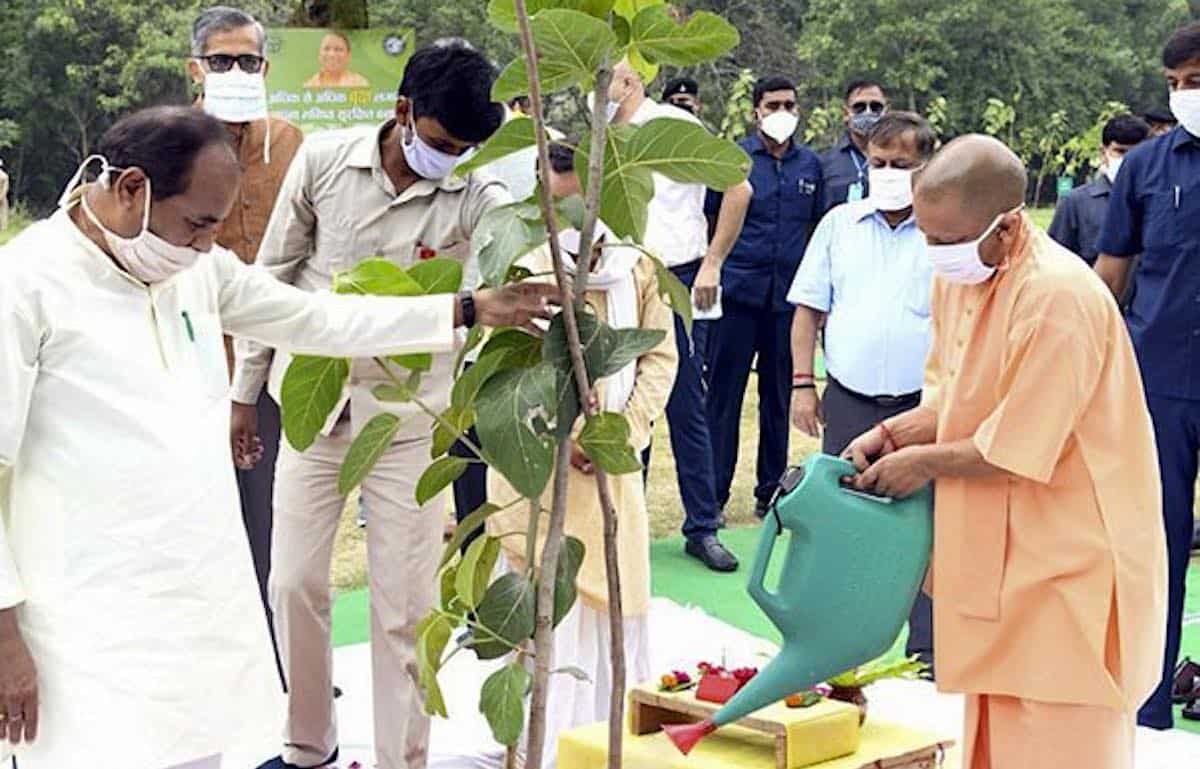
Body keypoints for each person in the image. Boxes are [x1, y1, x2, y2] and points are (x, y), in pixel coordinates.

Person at [0, 106, 556, 769]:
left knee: (202, 748)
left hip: (196, 597)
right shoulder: (26, 281)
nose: (208, 243)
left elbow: (316, 318)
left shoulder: (192, 270)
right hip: (83, 620)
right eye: (198, 223)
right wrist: (5, 640)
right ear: (130, 190)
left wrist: (465, 309)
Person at [845, 133, 1165, 769]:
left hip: (1071, 560)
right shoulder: (963, 275)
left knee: (1061, 736)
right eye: (925, 236)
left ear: (1009, 226)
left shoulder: (1059, 298)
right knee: (996, 732)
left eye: (947, 240)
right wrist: (897, 433)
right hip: (1003, 556)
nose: (934, 253)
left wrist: (920, 464)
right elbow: (954, 397)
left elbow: (1015, 444)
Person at [233, 42, 512, 769]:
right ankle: (307, 746)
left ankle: (402, 760)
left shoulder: (476, 190)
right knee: (292, 581)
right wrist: (243, 394)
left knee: (404, 609)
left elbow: (508, 259)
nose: (452, 160)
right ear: (403, 113)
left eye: (469, 149)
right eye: (444, 144)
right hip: (316, 409)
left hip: (412, 422)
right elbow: (273, 281)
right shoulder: (325, 162)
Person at [488, 142, 678, 768]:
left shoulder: (637, 268)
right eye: (563, 207)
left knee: (610, 599)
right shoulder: (524, 269)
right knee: (542, 593)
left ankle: (604, 743)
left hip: (612, 459)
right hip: (539, 468)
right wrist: (560, 432)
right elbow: (506, 370)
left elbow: (659, 359)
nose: (578, 222)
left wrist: (620, 431)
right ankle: (535, 746)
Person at [788, 112, 936, 672]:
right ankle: (841, 644)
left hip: (923, 407)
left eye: (902, 165)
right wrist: (804, 385)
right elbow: (807, 313)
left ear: (926, 168)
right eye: (879, 163)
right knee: (847, 520)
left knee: (925, 527)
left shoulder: (942, 232)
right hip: (849, 399)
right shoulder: (839, 225)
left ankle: (927, 653)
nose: (889, 173)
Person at [188, 4, 305, 681]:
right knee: (199, 521)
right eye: (223, 61)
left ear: (267, 67)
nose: (236, 72)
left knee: (271, 519)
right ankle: (212, 664)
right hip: (187, 367)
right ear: (195, 68)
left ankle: (277, 663)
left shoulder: (292, 144)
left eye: (249, 62)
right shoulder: (165, 144)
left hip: (269, 371)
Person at [603, 59, 752, 573]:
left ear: (631, 81)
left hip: (681, 277)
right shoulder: (604, 138)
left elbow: (738, 187)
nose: (596, 91)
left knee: (686, 401)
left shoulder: (673, 126)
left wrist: (714, 262)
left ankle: (703, 527)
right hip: (620, 278)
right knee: (624, 399)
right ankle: (628, 524)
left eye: (606, 80)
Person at [1094, 20, 1200, 731]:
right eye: (1177, 86)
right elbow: (1109, 277)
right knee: (1152, 546)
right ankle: (1148, 704)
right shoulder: (1147, 168)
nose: (1187, 95)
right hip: (1158, 384)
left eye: (1197, 80)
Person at [706, 75, 821, 526]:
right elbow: (712, 217)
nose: (781, 112)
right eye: (773, 104)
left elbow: (814, 231)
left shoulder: (809, 166)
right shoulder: (732, 161)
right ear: (756, 110)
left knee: (778, 397)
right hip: (737, 294)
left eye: (789, 104)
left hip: (787, 302)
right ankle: (711, 494)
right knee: (724, 396)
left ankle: (770, 490)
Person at [1047, 114, 1149, 266]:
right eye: (1120, 152)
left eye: (1136, 153)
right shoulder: (1076, 203)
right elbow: (1056, 262)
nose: (1129, 160)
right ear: (1103, 153)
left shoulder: (1162, 200)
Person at [819, 79, 889, 214]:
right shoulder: (826, 163)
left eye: (876, 107)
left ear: (886, 111)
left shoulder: (902, 160)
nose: (868, 113)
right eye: (859, 107)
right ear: (846, 114)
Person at [303, 31, 369, 89]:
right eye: (326, 49)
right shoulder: (309, 86)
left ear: (348, 56)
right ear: (319, 55)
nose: (332, 54)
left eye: (338, 49)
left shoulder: (360, 84)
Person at [0, 158, 8, 232]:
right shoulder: (4, 176)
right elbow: (5, 189)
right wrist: (1, 197)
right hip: (2, 198)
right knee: (2, 214)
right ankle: (2, 228)